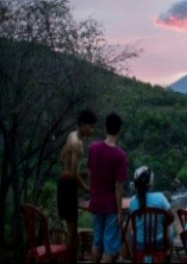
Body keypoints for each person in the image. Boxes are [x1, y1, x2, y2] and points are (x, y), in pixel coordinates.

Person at [87, 113, 128, 263]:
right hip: (110, 205)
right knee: (110, 249)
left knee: (97, 244)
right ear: (119, 130)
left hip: (95, 202)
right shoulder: (120, 155)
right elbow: (118, 186)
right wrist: (119, 211)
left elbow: (90, 173)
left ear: (105, 128)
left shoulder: (93, 148)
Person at [57, 109, 97, 263]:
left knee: (71, 229)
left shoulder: (70, 136)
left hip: (63, 182)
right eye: (90, 127)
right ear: (82, 124)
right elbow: (74, 175)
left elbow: (62, 158)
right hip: (68, 186)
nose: (91, 130)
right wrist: (87, 188)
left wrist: (80, 173)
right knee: (72, 230)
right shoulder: (78, 144)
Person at [129, 166, 175, 263]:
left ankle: (131, 257)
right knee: (170, 229)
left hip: (139, 244)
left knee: (130, 230)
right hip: (158, 244)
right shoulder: (160, 198)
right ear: (150, 183)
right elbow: (172, 217)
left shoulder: (132, 202)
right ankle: (167, 255)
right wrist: (164, 225)